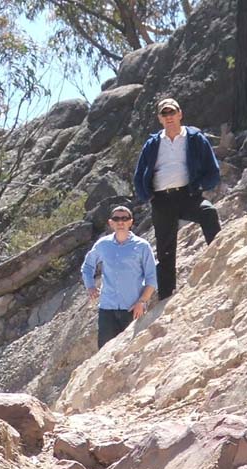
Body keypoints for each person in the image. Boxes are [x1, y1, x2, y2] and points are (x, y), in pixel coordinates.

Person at [133, 97, 221, 301]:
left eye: (172, 112)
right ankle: (166, 295)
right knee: (165, 249)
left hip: (188, 194)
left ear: (180, 114)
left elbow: (212, 169)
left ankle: (219, 259)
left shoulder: (195, 138)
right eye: (164, 114)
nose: (169, 117)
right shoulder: (153, 144)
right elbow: (139, 175)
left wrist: (200, 186)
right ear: (159, 119)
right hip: (162, 199)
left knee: (208, 212)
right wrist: (148, 195)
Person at [81, 206, 157, 349]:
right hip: (107, 309)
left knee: (131, 351)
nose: (120, 222)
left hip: (133, 309)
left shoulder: (142, 246)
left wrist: (142, 301)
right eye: (116, 219)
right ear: (111, 223)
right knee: (104, 352)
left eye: (124, 219)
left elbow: (151, 278)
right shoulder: (103, 245)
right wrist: (90, 286)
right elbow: (88, 266)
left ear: (130, 222)